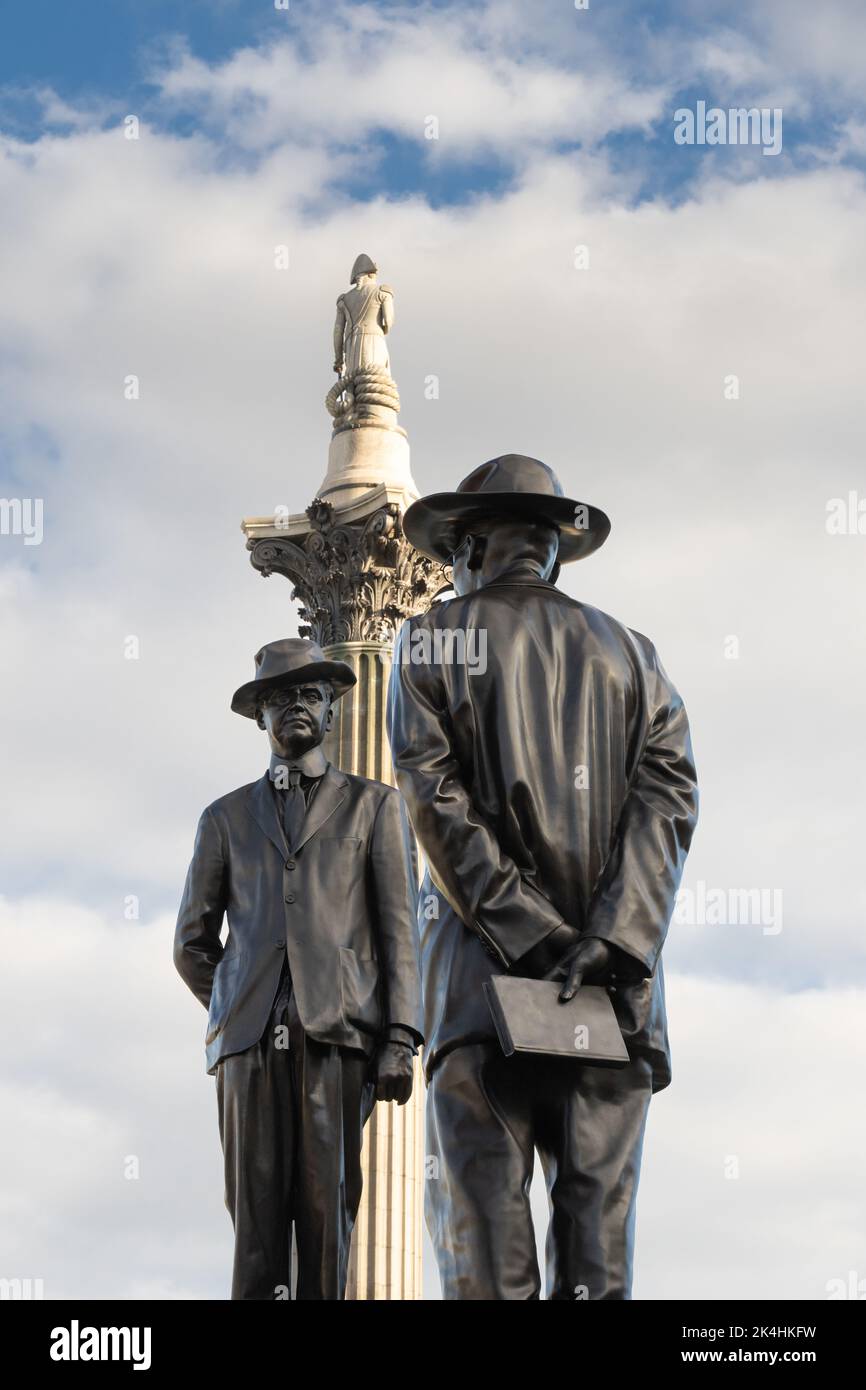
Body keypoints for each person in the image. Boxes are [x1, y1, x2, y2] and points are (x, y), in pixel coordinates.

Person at [387, 454, 699, 1300]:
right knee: (599, 1246)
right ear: (552, 551)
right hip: (613, 996)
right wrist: (609, 941)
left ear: (477, 547)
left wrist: (534, 935)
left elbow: (435, 803)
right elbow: (668, 804)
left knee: (483, 1226)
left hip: (482, 984)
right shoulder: (634, 654)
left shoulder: (429, 638)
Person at [175, 638, 423, 1300]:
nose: (295, 707)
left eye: (309, 694)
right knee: (254, 1222)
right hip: (247, 1044)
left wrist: (400, 1036)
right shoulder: (223, 818)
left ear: (332, 710)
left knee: (326, 1211)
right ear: (260, 715)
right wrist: (239, 1000)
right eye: (279, 697)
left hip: (338, 1036)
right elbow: (192, 940)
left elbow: (401, 928)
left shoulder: (376, 807)